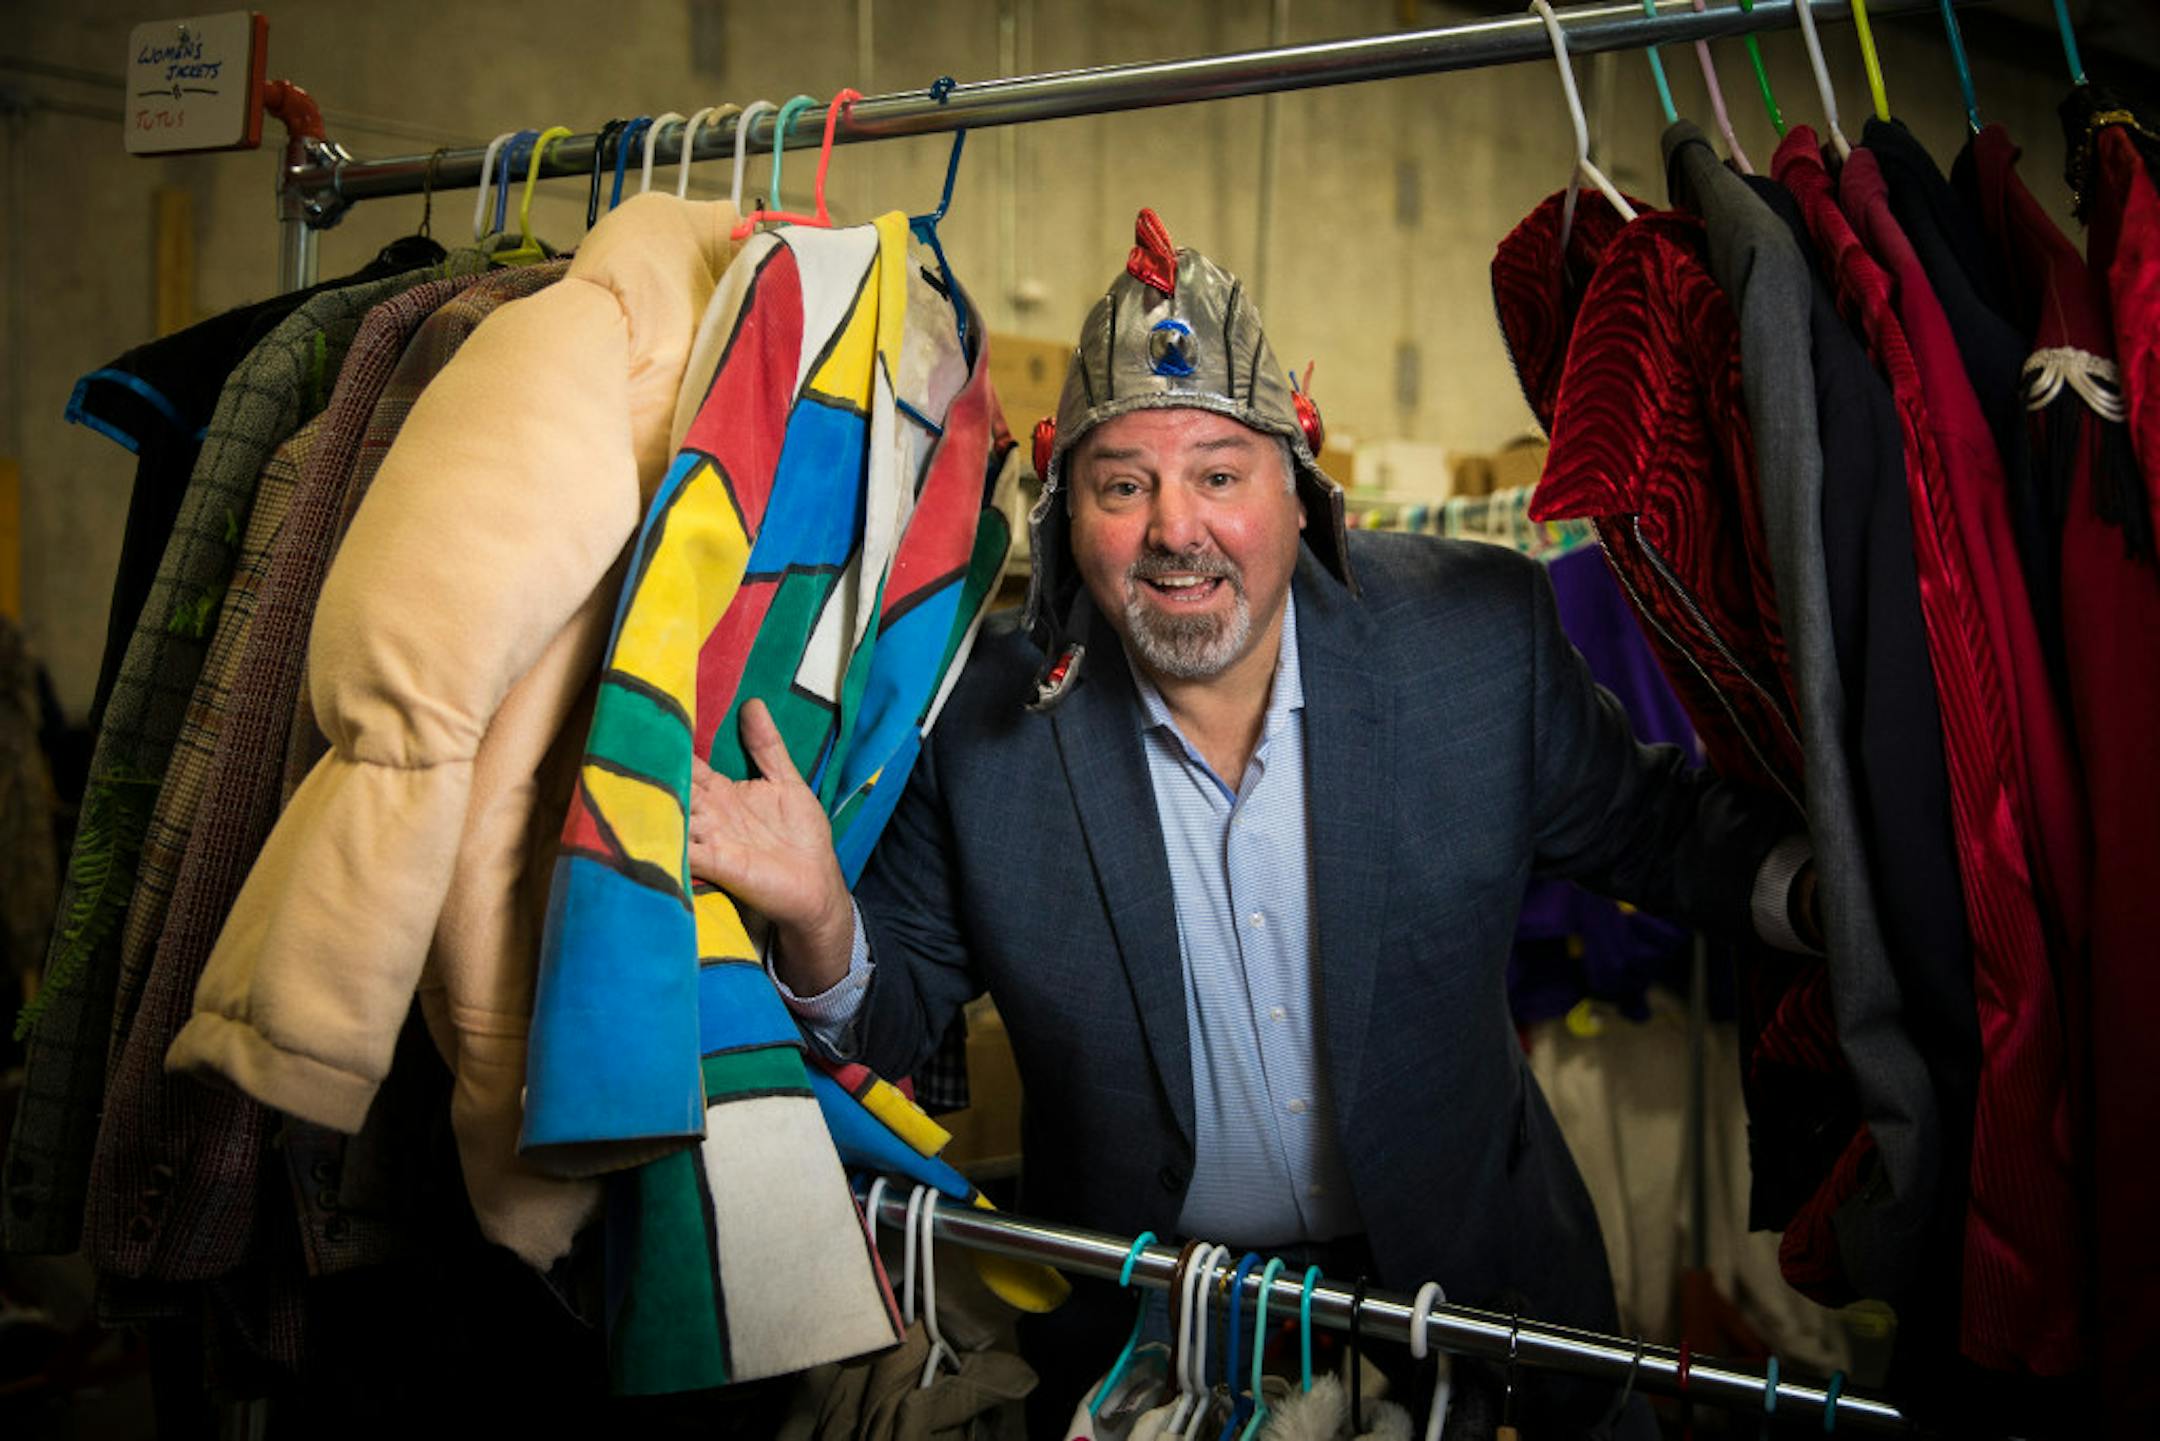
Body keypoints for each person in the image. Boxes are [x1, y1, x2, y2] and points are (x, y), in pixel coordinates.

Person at [687, 210, 1815, 1433]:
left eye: (1220, 475)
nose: (1177, 528)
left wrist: (1831, 895)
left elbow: (1654, 826)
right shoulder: (979, 723)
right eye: (1125, 485)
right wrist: (821, 919)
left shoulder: (1476, 639)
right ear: (1067, 513)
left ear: (1298, 490)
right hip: (1149, 1328)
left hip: (1479, 1298)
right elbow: (895, 1014)